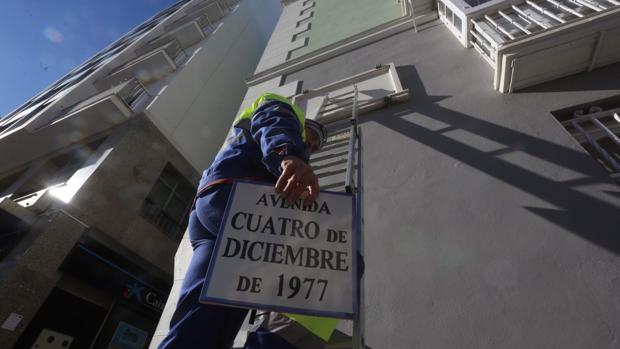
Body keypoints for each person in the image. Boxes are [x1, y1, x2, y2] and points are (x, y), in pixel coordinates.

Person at [158, 92, 331, 349]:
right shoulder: (286, 113)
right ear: (302, 126)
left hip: (213, 206)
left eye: (315, 146)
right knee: (333, 261)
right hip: (240, 198)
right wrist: (289, 153)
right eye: (312, 138)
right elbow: (274, 119)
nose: (311, 146)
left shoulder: (251, 150)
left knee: (209, 307)